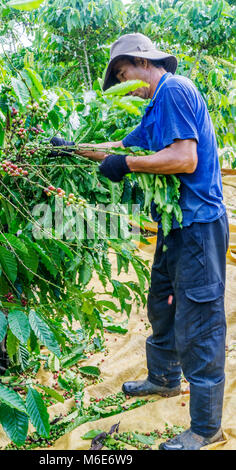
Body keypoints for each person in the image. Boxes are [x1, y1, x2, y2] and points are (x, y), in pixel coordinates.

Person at [51, 33, 229, 450]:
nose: (123, 82)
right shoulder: (155, 105)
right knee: (162, 303)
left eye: (122, 73)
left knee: (199, 323)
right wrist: (73, 150)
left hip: (199, 226)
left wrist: (126, 165)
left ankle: (206, 427)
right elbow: (121, 147)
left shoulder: (175, 90)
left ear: (141, 62)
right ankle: (164, 379)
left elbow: (185, 158)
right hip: (174, 226)